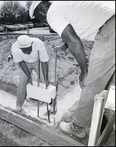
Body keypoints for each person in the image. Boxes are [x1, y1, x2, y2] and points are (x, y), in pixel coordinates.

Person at [29, 1, 115, 138]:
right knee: (104, 80)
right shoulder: (63, 5)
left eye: (39, 18)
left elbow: (74, 42)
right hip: (112, 21)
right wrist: (63, 47)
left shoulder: (51, 13)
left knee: (91, 82)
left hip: (110, 30)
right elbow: (74, 33)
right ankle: (96, 112)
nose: (42, 21)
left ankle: (78, 127)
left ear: (40, 10)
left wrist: (84, 71)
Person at [11, 35, 49, 113]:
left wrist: (45, 77)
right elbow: (21, 62)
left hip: (38, 62)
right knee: (22, 82)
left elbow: (44, 61)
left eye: (28, 49)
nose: (27, 52)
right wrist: (29, 76)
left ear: (31, 44)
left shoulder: (39, 44)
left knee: (44, 81)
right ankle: (19, 105)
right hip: (25, 63)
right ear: (20, 48)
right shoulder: (15, 48)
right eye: (24, 50)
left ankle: (47, 101)